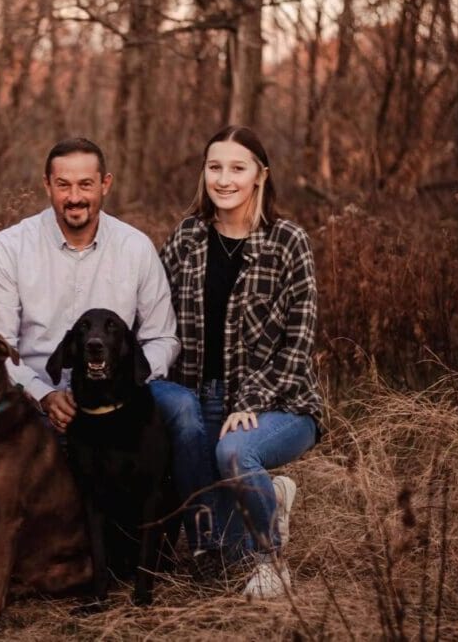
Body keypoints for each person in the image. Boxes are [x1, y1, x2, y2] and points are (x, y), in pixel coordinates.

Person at [158, 125, 323, 598]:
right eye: (215, 167)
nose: (224, 179)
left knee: (235, 452)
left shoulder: (288, 241)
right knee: (225, 554)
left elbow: (298, 345)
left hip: (283, 403)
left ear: (260, 175)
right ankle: (272, 497)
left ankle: (274, 563)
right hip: (202, 399)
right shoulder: (188, 237)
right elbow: (154, 313)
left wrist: (250, 399)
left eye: (237, 167)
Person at [0, 137, 180, 437]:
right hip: (31, 396)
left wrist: (127, 381)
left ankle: (208, 487)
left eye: (85, 184)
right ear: (47, 185)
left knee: (183, 410)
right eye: (63, 185)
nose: (74, 197)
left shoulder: (135, 247)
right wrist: (43, 395)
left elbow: (162, 337)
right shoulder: (11, 247)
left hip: (119, 392)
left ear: (105, 184)